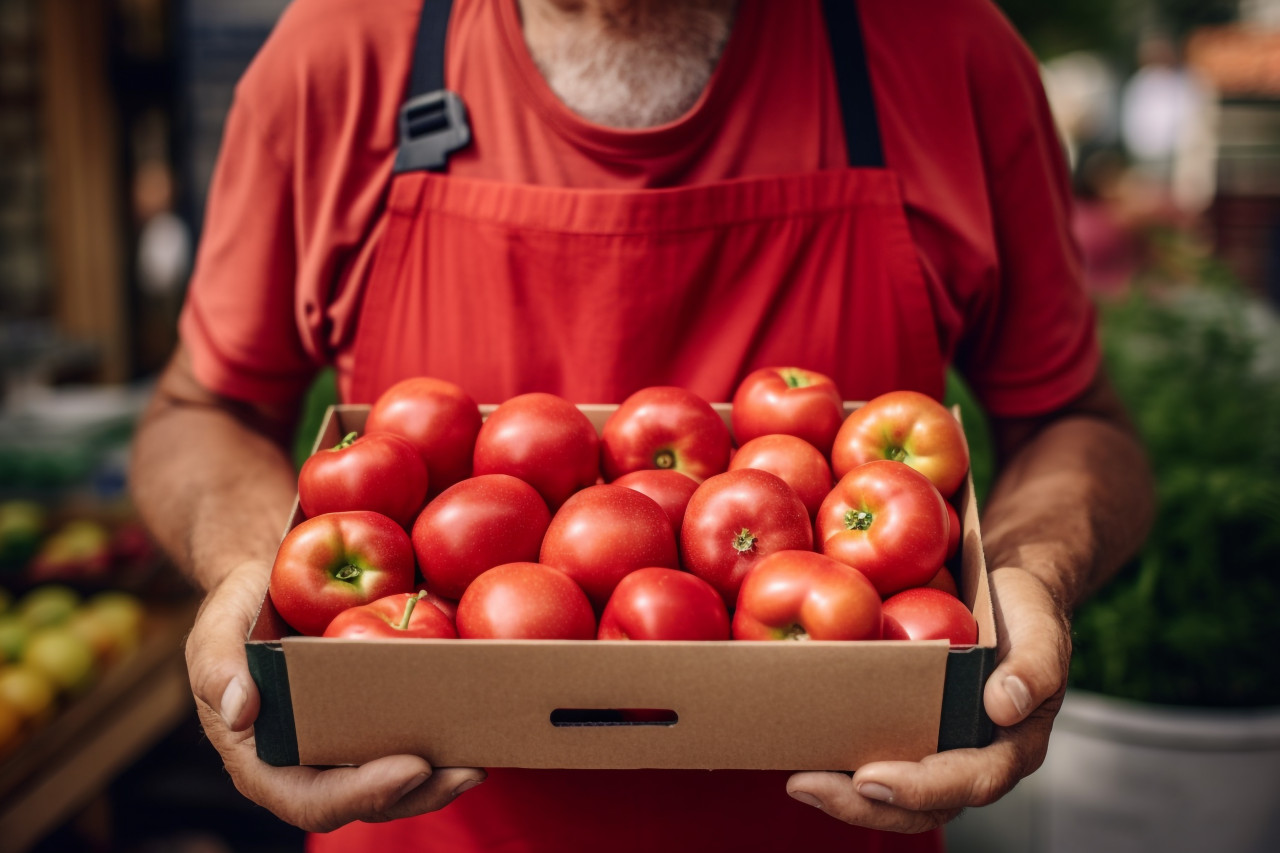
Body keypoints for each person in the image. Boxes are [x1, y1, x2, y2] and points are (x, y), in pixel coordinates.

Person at [129, 0, 1155, 850]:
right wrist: (242, 573)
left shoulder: (944, 51)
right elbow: (201, 411)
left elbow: (1073, 422)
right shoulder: (339, 56)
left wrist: (1028, 572)